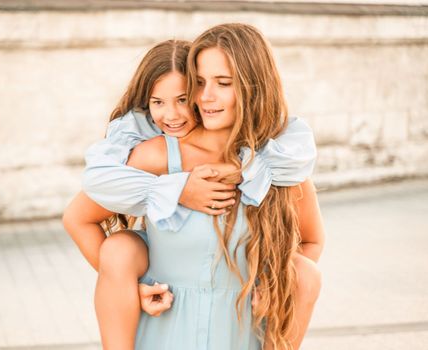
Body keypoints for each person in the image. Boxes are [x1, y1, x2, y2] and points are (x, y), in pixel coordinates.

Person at [63, 31, 322, 349]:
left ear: (254, 88)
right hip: (166, 328)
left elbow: (311, 241)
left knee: (304, 273)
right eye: (198, 83)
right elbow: (79, 218)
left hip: (241, 332)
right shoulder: (156, 155)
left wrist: (275, 283)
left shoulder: (280, 164)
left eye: (223, 83)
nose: (206, 96)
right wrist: (130, 286)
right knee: (118, 247)